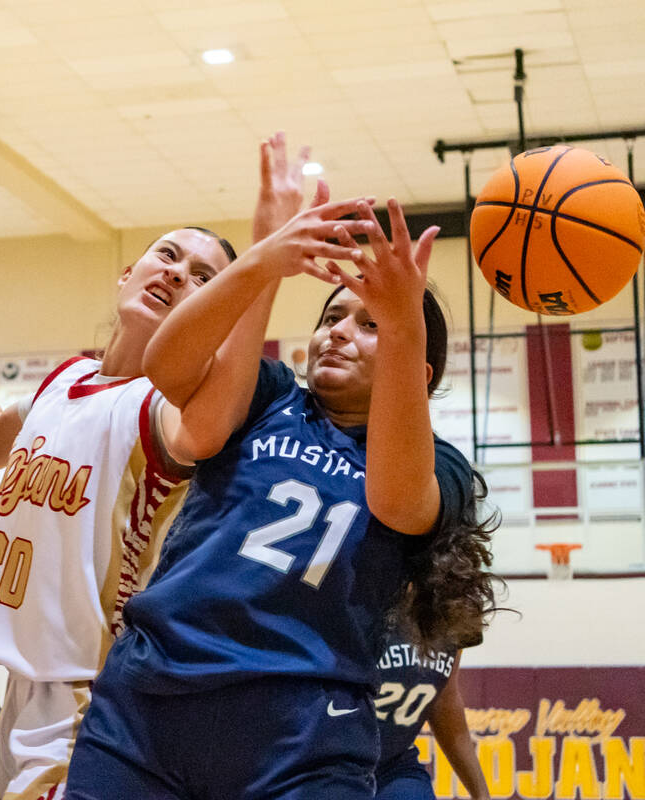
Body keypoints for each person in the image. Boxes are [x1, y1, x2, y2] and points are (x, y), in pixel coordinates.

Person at [0, 133, 372, 799]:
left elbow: (208, 425)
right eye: (167, 255)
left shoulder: (160, 406)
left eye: (202, 277)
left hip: (96, 694)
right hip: (21, 689)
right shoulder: (65, 379)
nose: (178, 273)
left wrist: (265, 261)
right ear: (126, 274)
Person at [65, 197, 499, 799]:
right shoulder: (269, 395)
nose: (339, 333)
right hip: (149, 707)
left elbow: (399, 504)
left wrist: (404, 325)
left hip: (301, 736)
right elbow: (167, 364)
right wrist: (264, 259)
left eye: (369, 324)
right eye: (332, 317)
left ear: (416, 370)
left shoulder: (437, 463)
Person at [374, 623, 489, 800]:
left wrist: (481, 794)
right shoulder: (355, 601)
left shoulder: (459, 604)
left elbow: (444, 698)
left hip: (394, 763)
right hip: (334, 758)